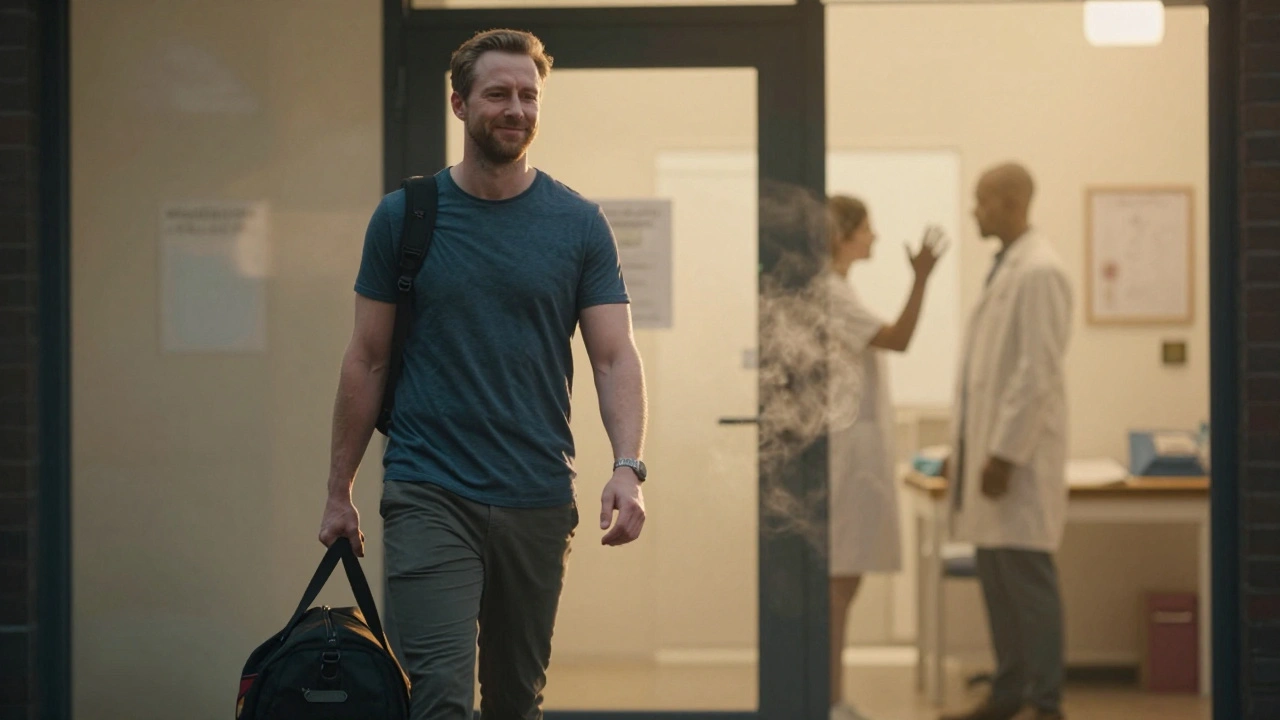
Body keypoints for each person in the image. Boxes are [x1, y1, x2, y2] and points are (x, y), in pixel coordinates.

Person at [316, 28, 649, 720]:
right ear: (459, 104)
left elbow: (613, 355)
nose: (516, 108)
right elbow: (368, 357)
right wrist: (338, 490)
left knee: (514, 700)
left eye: (529, 95)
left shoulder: (577, 224)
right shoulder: (405, 217)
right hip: (429, 490)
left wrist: (627, 466)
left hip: (536, 493)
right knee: (437, 696)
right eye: (498, 93)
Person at [940, 163, 1073, 720]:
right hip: (989, 454)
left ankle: (1045, 701)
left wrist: (1004, 454)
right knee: (998, 581)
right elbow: (985, 379)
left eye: (982, 200)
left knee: (1027, 583)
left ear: (1013, 200)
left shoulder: (1040, 271)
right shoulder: (1006, 269)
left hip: (1015, 461)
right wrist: (964, 449)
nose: (975, 210)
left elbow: (1035, 373)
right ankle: (1009, 691)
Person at [826, 195, 947, 720]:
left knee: (843, 584)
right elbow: (896, 339)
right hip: (845, 455)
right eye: (867, 229)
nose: (875, 237)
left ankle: (829, 695)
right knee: (838, 584)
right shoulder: (829, 291)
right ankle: (827, 698)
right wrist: (921, 277)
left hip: (854, 451)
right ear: (843, 235)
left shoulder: (838, 289)